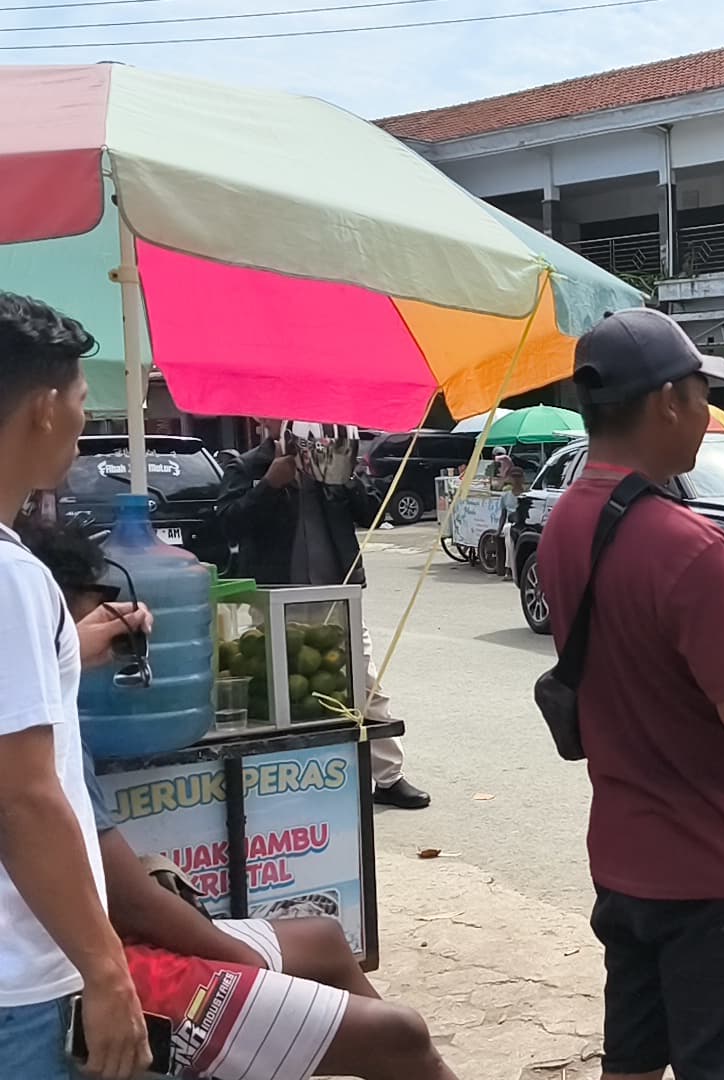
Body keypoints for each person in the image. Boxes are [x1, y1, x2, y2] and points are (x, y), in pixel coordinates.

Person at [17, 516, 458, 1080]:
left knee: (324, 940)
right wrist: (242, 962)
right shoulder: (40, 728)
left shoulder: (46, 685)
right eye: (84, 609)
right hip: (96, 960)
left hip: (101, 937)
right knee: (399, 1033)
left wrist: (73, 652)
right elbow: (126, 897)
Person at [537, 308, 724, 1080]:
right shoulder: (692, 549)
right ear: (665, 403)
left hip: (623, 858)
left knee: (635, 1061)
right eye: (699, 393)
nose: (707, 412)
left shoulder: (563, 523)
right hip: (716, 872)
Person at [0, 292, 152, 1080]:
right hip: (19, 980)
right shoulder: (12, 576)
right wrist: (103, 968)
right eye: (81, 400)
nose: (84, 420)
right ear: (41, 410)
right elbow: (22, 798)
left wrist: (66, 655)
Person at [216, 422, 429, 810]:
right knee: (286, 695)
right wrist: (269, 485)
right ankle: (292, 779)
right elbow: (228, 523)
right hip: (277, 600)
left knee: (365, 686)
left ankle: (388, 776)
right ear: (262, 421)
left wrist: (343, 478)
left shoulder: (333, 458)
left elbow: (374, 513)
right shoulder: (246, 465)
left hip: (339, 597)